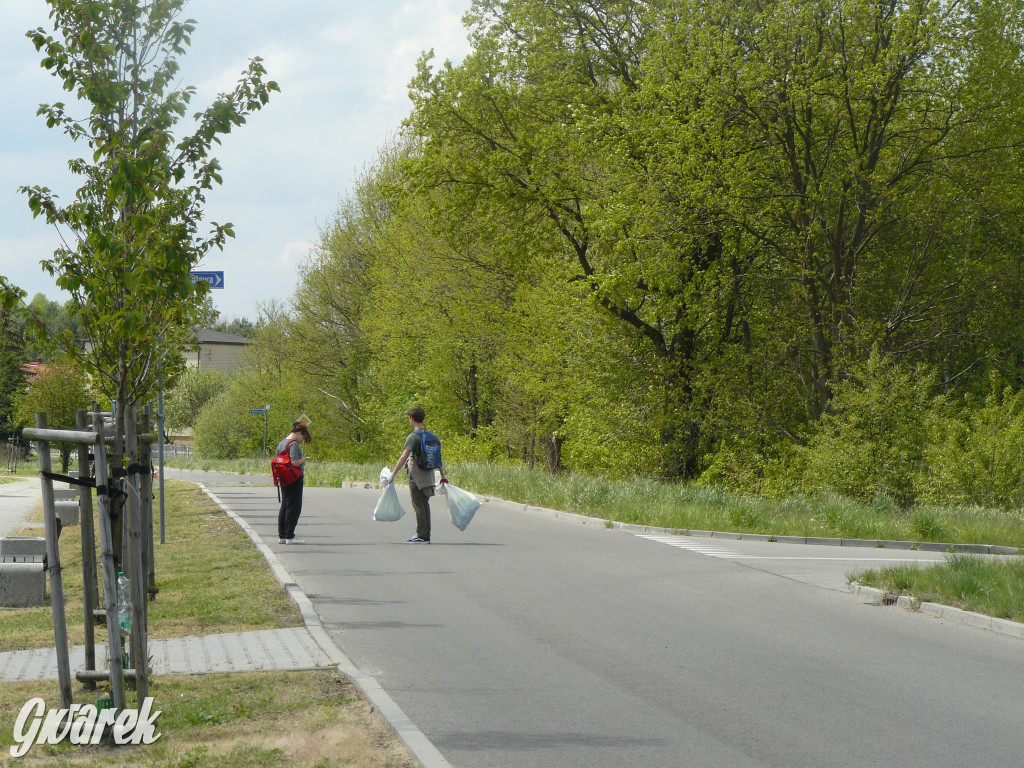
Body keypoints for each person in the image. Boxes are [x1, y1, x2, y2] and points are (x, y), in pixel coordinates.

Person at [389, 406, 447, 543]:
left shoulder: (414, 437)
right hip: (428, 474)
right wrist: (443, 476)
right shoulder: (431, 436)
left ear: (412, 418)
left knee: (418, 504)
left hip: (416, 474)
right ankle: (426, 534)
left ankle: (421, 536)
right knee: (425, 503)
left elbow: (404, 457)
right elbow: (438, 458)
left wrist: (393, 474)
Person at [277, 421, 311, 544]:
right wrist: (304, 459)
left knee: (285, 506)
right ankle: (290, 536)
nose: (301, 440)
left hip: (283, 477)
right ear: (299, 433)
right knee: (294, 506)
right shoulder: (293, 444)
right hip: (294, 478)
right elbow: (294, 462)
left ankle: (282, 536)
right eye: (303, 437)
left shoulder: (281, 443)